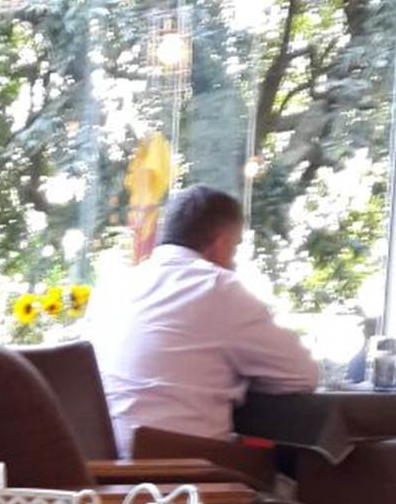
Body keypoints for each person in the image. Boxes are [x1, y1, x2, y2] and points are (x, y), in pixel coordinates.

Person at [98, 185, 319, 456]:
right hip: (189, 473)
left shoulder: (113, 288)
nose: (233, 262)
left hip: (105, 471)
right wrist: (243, 379)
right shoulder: (218, 288)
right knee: (300, 465)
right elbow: (302, 375)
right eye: (235, 248)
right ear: (223, 243)